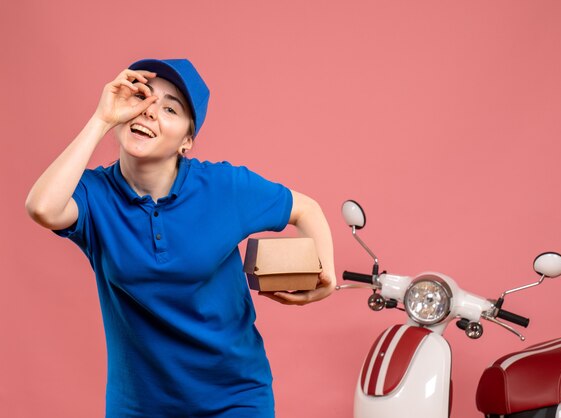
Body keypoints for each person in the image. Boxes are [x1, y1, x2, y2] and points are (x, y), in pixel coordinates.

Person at [25, 58, 336, 417]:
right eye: (141, 99)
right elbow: (43, 208)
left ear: (187, 141)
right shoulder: (95, 195)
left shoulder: (223, 187)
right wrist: (101, 119)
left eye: (170, 109)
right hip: (139, 407)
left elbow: (306, 209)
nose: (149, 113)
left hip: (235, 398)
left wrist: (324, 271)